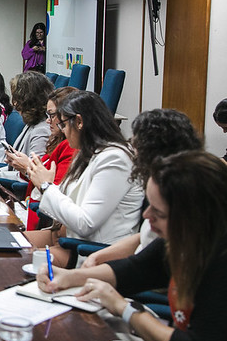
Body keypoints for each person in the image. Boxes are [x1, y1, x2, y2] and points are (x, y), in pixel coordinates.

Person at [37, 151, 227, 341]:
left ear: (195, 218)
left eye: (158, 213)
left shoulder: (220, 262)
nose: (147, 217)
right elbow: (134, 270)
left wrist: (123, 308)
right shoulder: (183, 240)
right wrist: (70, 276)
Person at [25, 91, 144, 264]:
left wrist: (46, 186)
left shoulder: (115, 159)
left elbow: (85, 223)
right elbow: (67, 200)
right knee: (3, 245)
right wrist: (45, 184)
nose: (62, 132)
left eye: (64, 125)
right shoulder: (88, 153)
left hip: (90, 252)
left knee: (9, 260)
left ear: (79, 122)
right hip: (65, 238)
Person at [81, 108, 203, 268]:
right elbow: (144, 237)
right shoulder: (159, 181)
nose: (133, 149)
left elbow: (147, 265)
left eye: (136, 142)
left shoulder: (178, 194)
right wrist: (99, 256)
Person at [3, 87, 78, 230]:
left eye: (52, 115)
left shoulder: (70, 147)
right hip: (32, 210)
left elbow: (55, 190)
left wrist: (27, 168)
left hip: (44, 220)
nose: (48, 121)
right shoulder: (57, 141)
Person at [9, 71, 54, 157]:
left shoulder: (42, 130)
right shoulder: (31, 123)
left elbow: (34, 168)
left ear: (27, 99)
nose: (14, 104)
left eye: (17, 99)